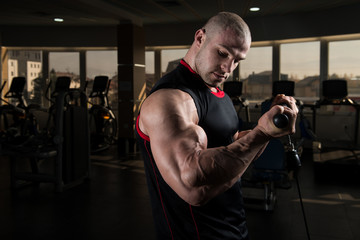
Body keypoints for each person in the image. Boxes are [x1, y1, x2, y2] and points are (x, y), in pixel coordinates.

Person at [136, 12, 298, 240]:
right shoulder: (168, 100)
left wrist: (270, 125)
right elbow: (194, 190)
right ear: (200, 38)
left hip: (234, 228)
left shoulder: (216, 92)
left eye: (237, 60)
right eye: (222, 53)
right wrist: (261, 134)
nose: (227, 67)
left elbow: (229, 143)